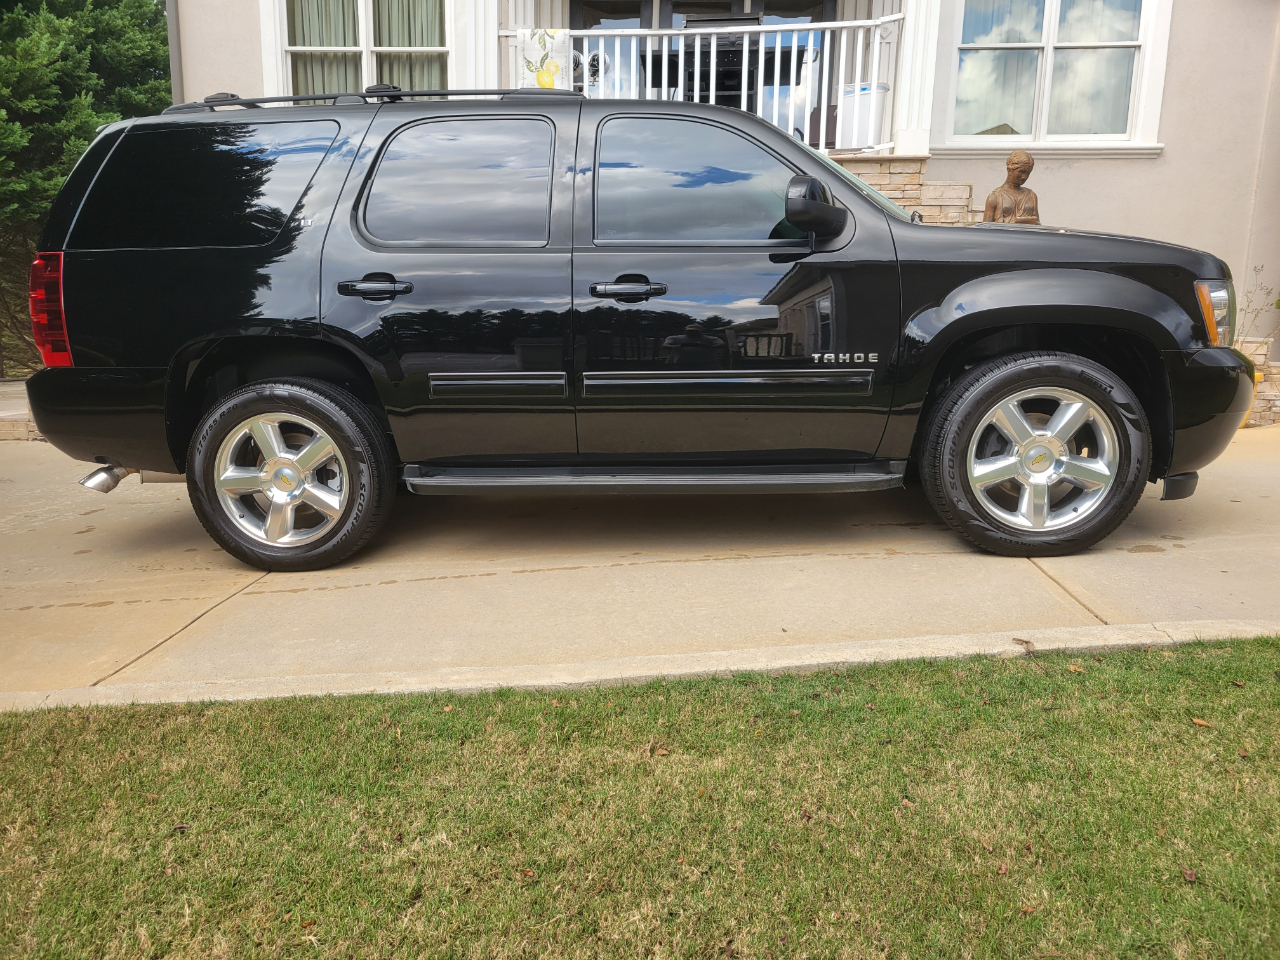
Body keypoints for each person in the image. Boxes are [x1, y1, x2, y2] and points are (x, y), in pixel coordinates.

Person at [983, 150, 1041, 225]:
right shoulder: (995, 197)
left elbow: (1037, 225)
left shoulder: (1031, 196)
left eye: (1028, 173)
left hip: (1027, 236)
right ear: (1009, 170)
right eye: (1021, 171)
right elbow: (985, 228)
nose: (1024, 177)